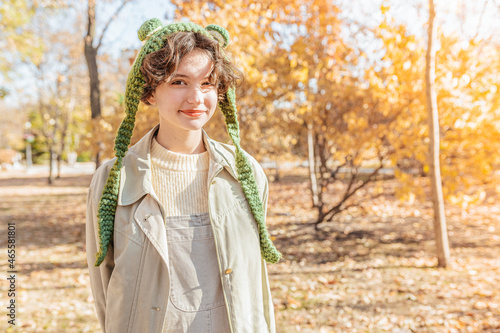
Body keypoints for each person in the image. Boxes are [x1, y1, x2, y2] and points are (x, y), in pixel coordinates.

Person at [85, 18, 281, 333]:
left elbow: (257, 286)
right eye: (179, 82)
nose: (196, 98)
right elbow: (105, 287)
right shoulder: (113, 180)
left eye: (207, 83)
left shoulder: (246, 174)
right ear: (149, 92)